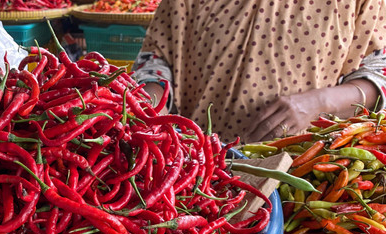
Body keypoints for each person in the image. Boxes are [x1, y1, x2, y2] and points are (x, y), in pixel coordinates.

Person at [131, 0, 386, 143]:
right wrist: (151, 109)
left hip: (299, 165)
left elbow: (378, 73)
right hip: (196, 162)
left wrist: (318, 104)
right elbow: (156, 59)